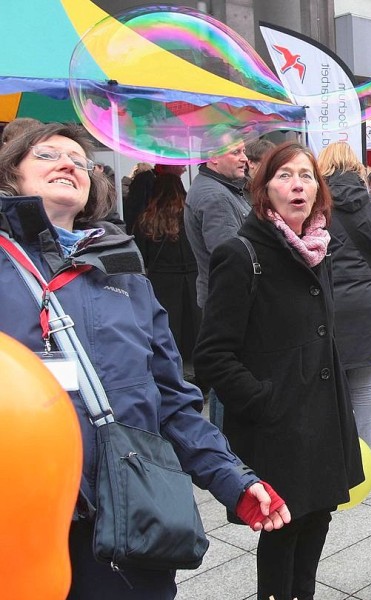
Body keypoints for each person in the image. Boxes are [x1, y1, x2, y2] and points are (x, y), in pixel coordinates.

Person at [0, 123, 290, 600]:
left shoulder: (123, 271)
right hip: (22, 516)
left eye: (79, 159)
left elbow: (172, 401)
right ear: (11, 172)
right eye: (48, 154)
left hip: (124, 516)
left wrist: (233, 479)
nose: (67, 163)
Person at [192, 141, 364, 600]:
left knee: (316, 520)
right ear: (264, 189)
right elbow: (212, 355)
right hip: (280, 426)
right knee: (283, 529)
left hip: (324, 420)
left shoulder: (318, 247)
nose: (297, 185)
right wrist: (266, 400)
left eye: (307, 175)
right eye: (285, 175)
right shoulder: (240, 252)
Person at [317, 141, 371, 452]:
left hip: (326, 305)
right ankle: (365, 455)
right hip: (367, 304)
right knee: (364, 387)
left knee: (327, 387)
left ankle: (335, 455)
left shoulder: (315, 206)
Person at [184, 140, 249, 428]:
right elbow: (230, 258)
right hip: (230, 303)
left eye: (244, 151)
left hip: (223, 299)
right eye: (236, 152)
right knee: (229, 378)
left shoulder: (218, 190)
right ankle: (230, 449)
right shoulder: (216, 197)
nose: (244, 158)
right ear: (212, 158)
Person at [133, 168, 201, 368]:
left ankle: (173, 373)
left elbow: (141, 255)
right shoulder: (192, 216)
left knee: (167, 332)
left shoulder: (146, 219)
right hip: (193, 278)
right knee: (196, 331)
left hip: (161, 281)